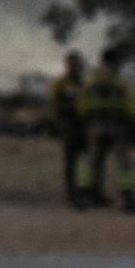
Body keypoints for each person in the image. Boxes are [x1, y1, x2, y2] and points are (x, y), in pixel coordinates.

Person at [80, 48, 135, 213]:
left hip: (96, 125)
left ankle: (85, 196)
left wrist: (87, 121)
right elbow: (132, 105)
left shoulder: (91, 79)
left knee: (92, 162)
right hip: (117, 125)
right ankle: (128, 199)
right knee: (123, 164)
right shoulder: (120, 81)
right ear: (116, 61)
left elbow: (82, 103)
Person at [49, 50, 89, 209]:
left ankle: (86, 191)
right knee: (71, 161)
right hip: (69, 125)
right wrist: (58, 123)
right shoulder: (60, 83)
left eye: (77, 63)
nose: (75, 66)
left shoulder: (85, 82)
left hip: (84, 125)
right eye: (72, 63)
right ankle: (72, 194)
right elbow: (54, 104)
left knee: (85, 162)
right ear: (67, 64)